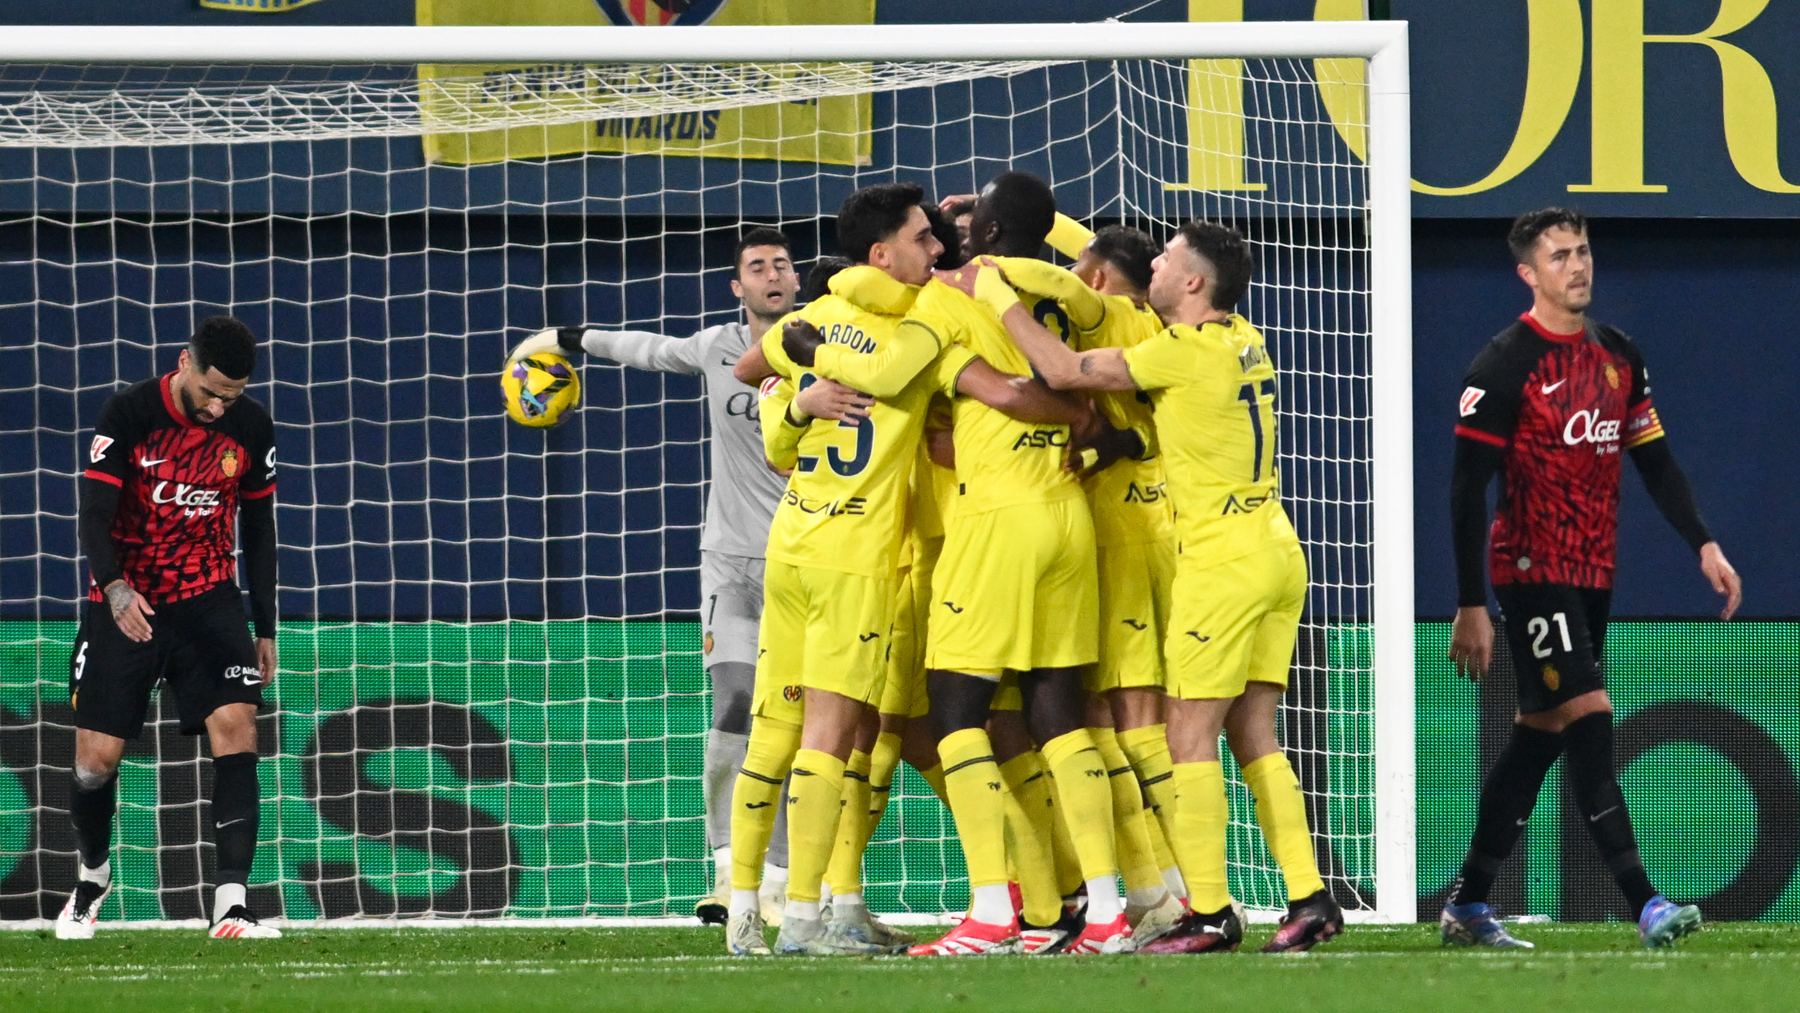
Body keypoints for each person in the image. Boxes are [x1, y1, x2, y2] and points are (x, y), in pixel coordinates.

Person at [744, 183, 1101, 957]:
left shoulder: (836, 317)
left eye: (951, 235)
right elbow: (1013, 381)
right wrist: (1080, 417)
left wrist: (804, 377)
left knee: (899, 733)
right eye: (926, 237)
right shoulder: (940, 320)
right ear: (885, 254)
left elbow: (753, 367)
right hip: (910, 555)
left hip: (855, 547)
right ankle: (1055, 902)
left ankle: (800, 905)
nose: (940, 248)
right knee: (926, 730)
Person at [976, 220, 1344, 954]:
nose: (1154, 263)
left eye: (1168, 258)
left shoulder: (1179, 353)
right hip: (1276, 547)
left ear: (1195, 283)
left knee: (1187, 735)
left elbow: (1066, 371)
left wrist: (993, 292)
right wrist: (1051, 226)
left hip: (1222, 561)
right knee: (1254, 733)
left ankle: (1208, 910)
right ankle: (1309, 896)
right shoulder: (1241, 335)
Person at [1441, 207, 1740, 949]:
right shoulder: (1504, 364)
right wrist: (1471, 601)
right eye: (1560, 255)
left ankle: (1469, 901)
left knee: (1539, 735)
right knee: (1591, 715)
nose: (1578, 266)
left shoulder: (1618, 356)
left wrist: (1703, 543)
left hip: (1591, 572)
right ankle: (1645, 900)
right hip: (1529, 568)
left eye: (1583, 251)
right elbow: (1464, 489)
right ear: (1528, 272)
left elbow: (1656, 460)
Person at [508, 227, 801, 926]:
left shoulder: (830, 350)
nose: (770, 274)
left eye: (780, 264)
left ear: (796, 281)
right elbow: (642, 348)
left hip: (809, 563)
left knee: (795, 724)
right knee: (733, 704)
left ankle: (789, 880)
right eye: (756, 267)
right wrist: (561, 336)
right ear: (738, 287)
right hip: (729, 563)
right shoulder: (715, 347)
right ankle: (731, 874)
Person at [57, 316, 281, 941]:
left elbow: (259, 532)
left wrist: (265, 624)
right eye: (211, 391)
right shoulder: (129, 414)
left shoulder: (251, 426)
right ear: (184, 363)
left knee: (237, 729)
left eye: (229, 397)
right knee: (96, 762)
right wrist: (115, 587)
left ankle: (231, 904)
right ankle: (92, 879)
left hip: (209, 598)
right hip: (129, 601)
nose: (217, 407)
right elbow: (94, 514)